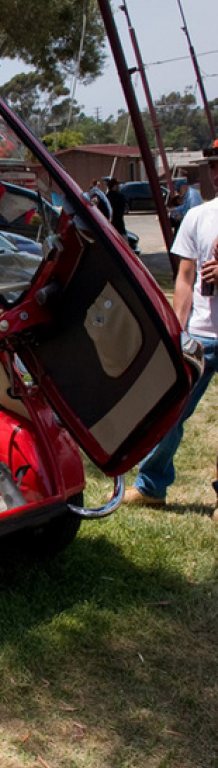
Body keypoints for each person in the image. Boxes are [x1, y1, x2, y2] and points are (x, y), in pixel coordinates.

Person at [124, 161, 218, 519]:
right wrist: (177, 330)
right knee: (172, 411)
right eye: (214, 168)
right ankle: (151, 487)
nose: (217, 174)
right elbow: (184, 276)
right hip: (201, 334)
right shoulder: (198, 217)